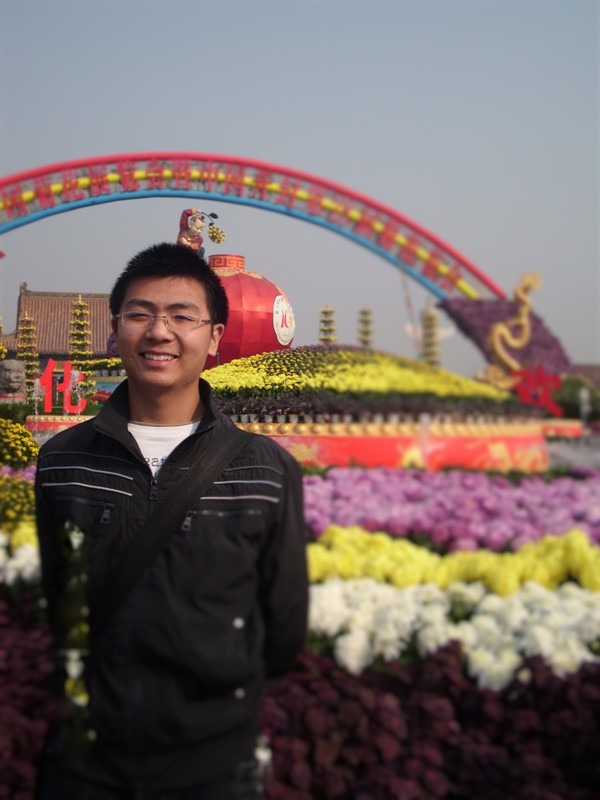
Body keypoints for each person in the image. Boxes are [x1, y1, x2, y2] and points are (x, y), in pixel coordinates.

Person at [35, 242, 309, 799]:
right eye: (140, 314)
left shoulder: (264, 468)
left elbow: (283, 623)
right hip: (89, 760)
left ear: (215, 336)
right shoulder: (64, 460)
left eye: (182, 317)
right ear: (115, 328)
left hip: (214, 764)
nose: (159, 332)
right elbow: (62, 598)